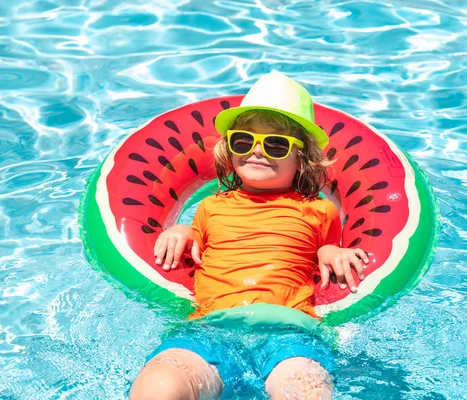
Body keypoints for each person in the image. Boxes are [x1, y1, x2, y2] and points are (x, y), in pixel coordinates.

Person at [129, 70, 369, 400]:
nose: (257, 151)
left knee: (305, 389)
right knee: (160, 384)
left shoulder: (320, 210)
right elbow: (199, 245)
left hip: (288, 331)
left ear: (302, 158)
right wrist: (182, 231)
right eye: (244, 140)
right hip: (211, 328)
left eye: (275, 145)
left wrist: (330, 251)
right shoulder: (210, 207)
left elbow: (322, 262)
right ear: (229, 149)